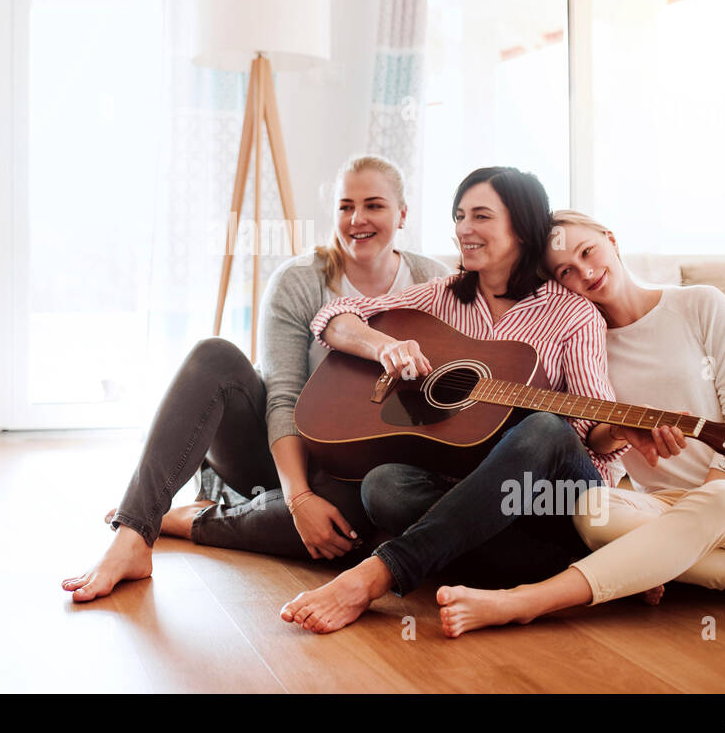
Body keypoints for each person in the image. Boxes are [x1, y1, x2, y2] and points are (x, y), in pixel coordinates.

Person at [433, 209, 725, 636]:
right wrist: (622, 432)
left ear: (611, 239)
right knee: (591, 511)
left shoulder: (700, 304)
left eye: (588, 252)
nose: (585, 272)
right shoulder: (586, 342)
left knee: (719, 501)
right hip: (662, 508)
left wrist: (714, 486)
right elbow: (601, 443)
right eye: (566, 271)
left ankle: (528, 602)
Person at [61, 155, 450, 602]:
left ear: (402, 214)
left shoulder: (433, 282)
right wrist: (299, 499)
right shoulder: (300, 281)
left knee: (355, 528)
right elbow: (282, 398)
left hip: (357, 472)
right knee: (215, 356)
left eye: (374, 205)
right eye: (345, 207)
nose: (357, 219)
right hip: (276, 451)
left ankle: (193, 521)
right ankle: (134, 534)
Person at [279, 166, 625, 634]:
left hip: (554, 500)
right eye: (459, 215)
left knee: (546, 426)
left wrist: (620, 430)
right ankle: (560, 570)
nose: (464, 228)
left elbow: (587, 437)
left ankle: (375, 575)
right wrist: (382, 346)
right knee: (383, 486)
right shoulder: (442, 295)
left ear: (521, 226)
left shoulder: (573, 313)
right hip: (478, 496)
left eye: (480, 216)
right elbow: (335, 316)